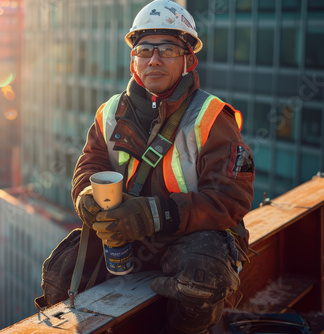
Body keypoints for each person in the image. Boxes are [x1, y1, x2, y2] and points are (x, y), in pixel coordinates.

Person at [39, 1, 255, 333]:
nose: (153, 59)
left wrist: (156, 214)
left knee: (204, 272)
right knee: (62, 269)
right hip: (126, 240)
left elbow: (231, 198)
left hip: (190, 237)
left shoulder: (211, 117)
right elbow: (90, 164)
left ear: (188, 60)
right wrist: (85, 195)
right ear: (133, 61)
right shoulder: (109, 114)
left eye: (167, 49)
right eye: (144, 50)